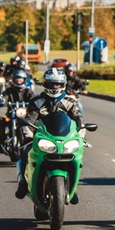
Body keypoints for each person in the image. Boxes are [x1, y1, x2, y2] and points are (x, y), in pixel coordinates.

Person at [15, 68, 85, 200]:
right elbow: (29, 121)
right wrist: (29, 136)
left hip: (64, 139)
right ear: (45, 84)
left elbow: (79, 122)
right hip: (42, 138)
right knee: (25, 152)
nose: (55, 87)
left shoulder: (70, 102)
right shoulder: (36, 102)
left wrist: (80, 136)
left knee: (77, 158)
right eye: (52, 84)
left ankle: (73, 188)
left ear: (63, 84)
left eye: (58, 84)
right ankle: (23, 183)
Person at [0, 67, 36, 154]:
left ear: (24, 80)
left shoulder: (27, 91)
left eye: (20, 79)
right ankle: (2, 141)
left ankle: (35, 141)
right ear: (13, 79)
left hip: (24, 114)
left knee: (35, 121)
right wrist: (1, 100)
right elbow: (4, 96)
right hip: (11, 113)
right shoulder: (9, 90)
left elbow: (33, 98)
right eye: (17, 79)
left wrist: (35, 103)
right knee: (1, 120)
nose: (19, 81)